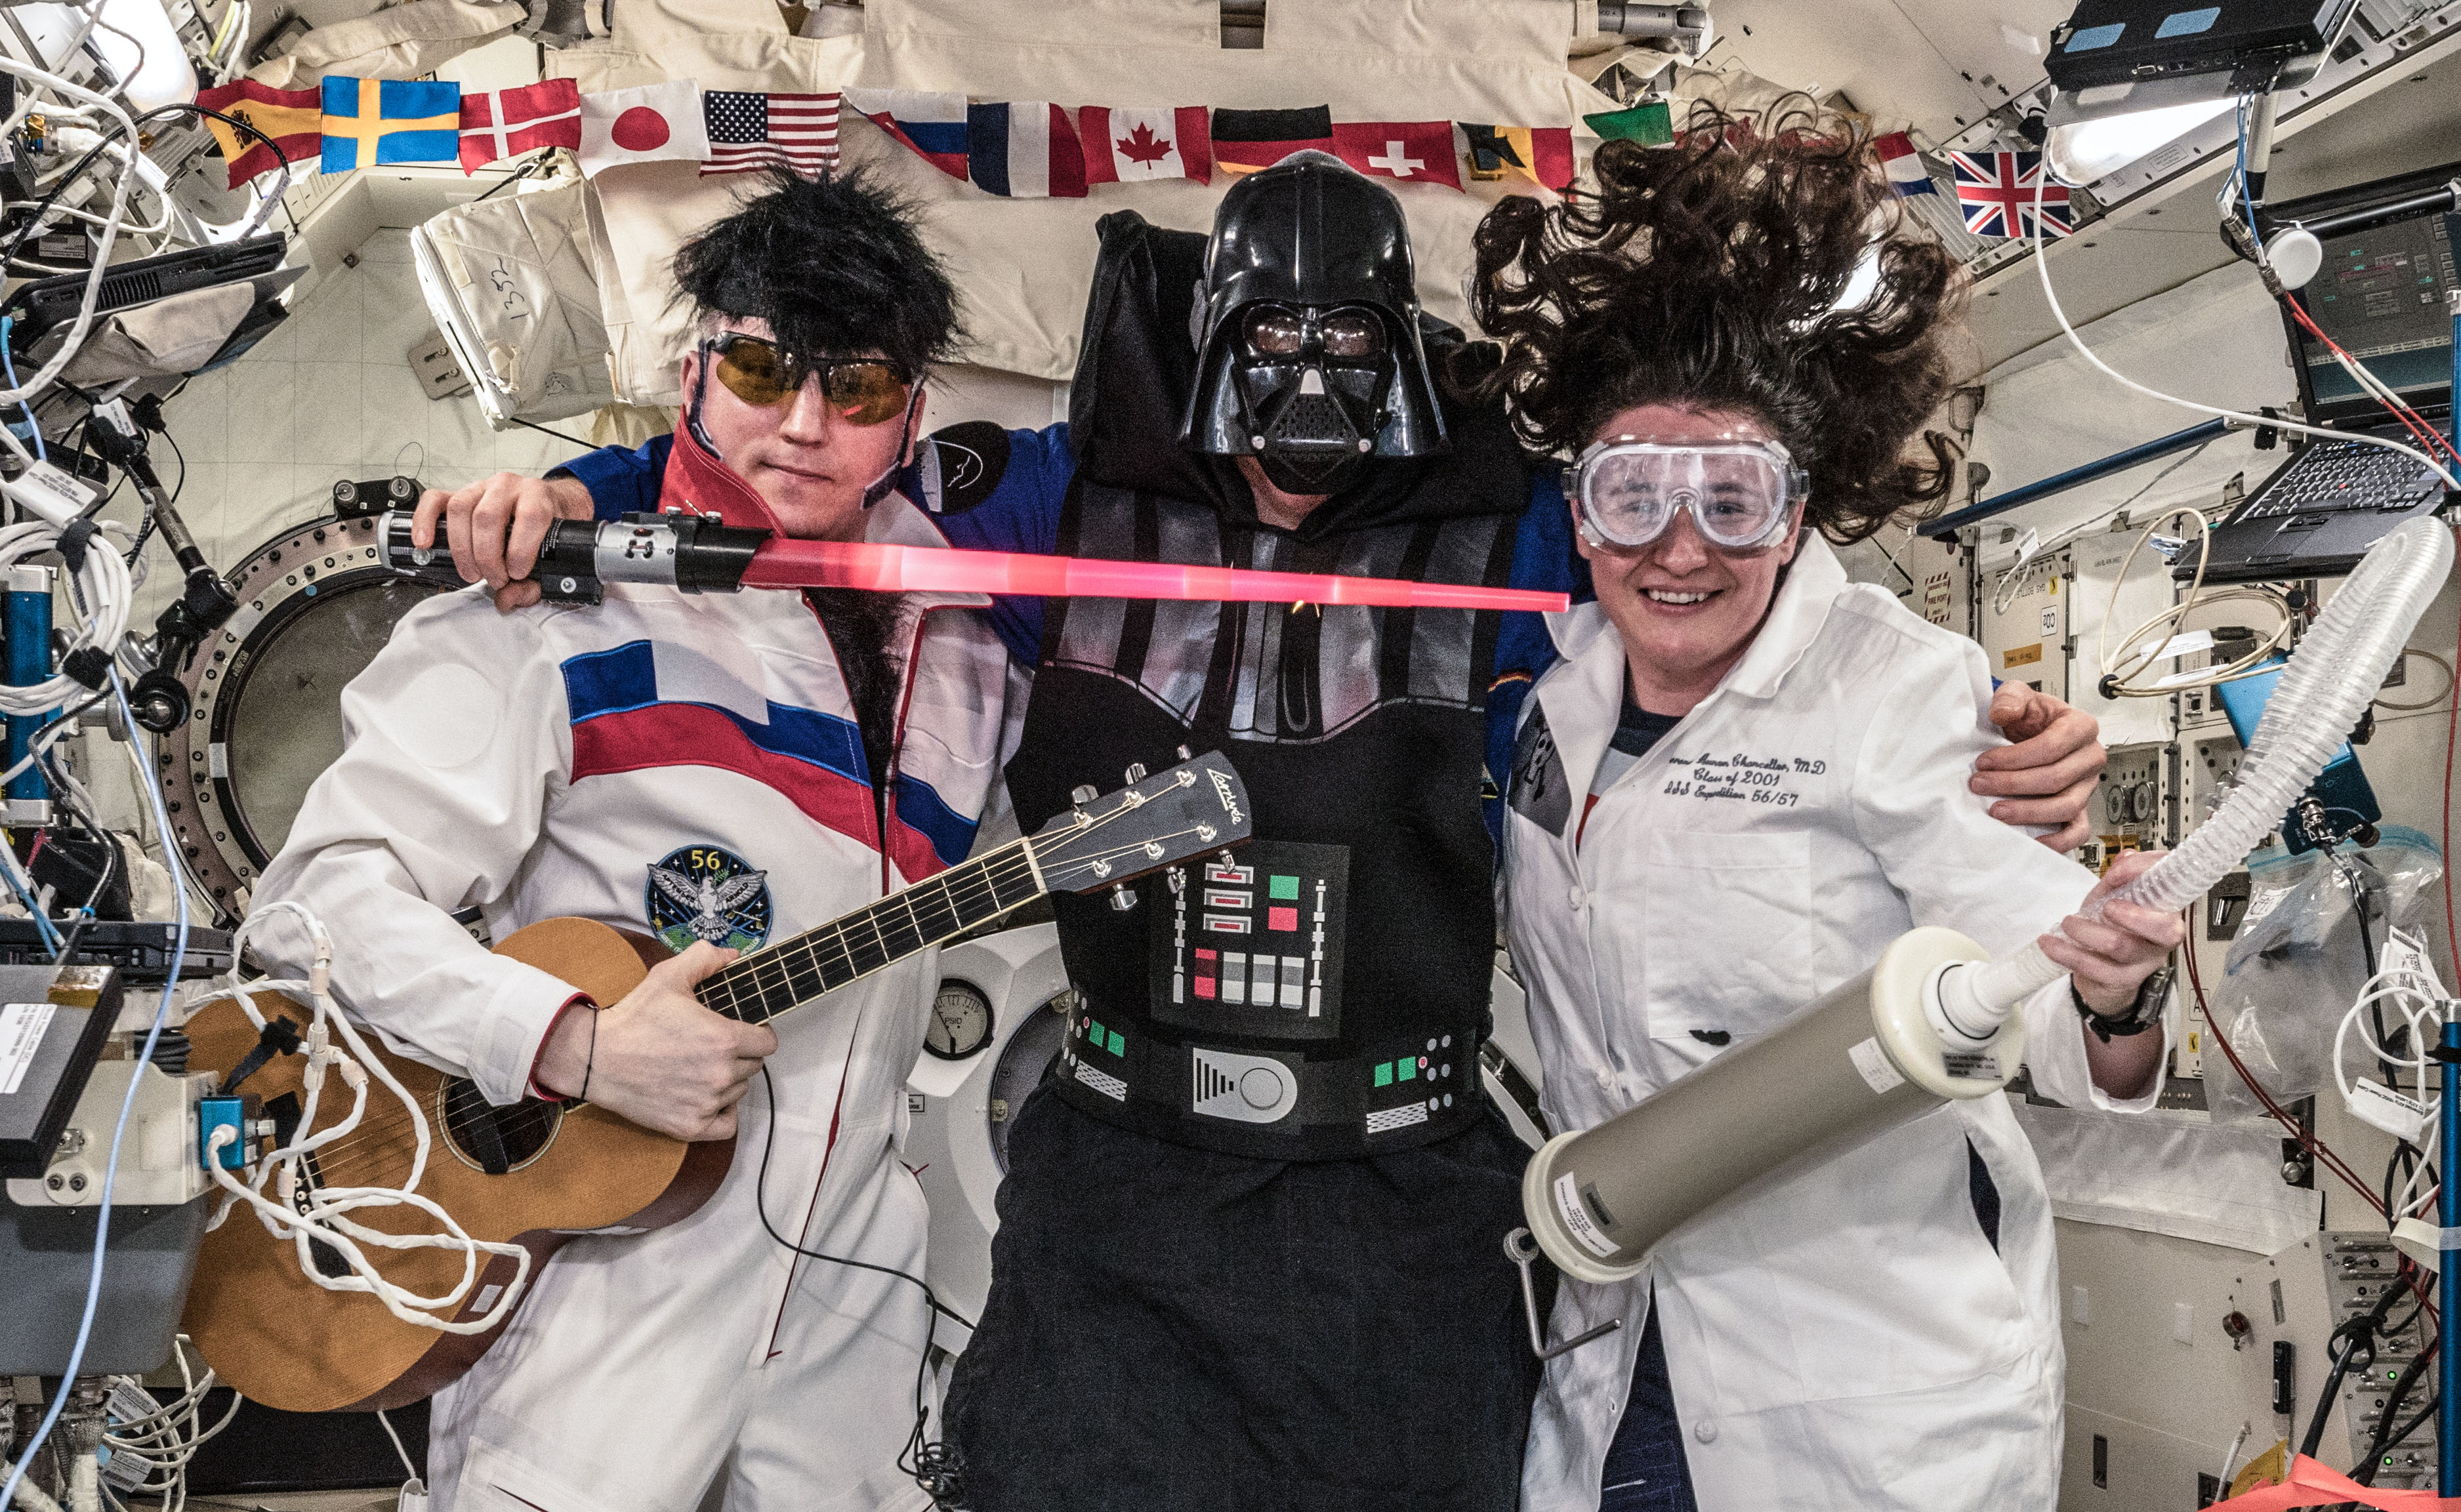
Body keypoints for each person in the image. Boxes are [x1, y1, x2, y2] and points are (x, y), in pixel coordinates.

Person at [423, 154, 2111, 1512]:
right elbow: (812, 498)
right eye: (1272, 356)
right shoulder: (1061, 493)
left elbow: (1721, 568)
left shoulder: (1510, 520)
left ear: (1406, 361)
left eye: (1349, 360)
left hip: (1411, 1193)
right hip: (1118, 1188)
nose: (1307, 397)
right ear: (1207, 343)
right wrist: (588, 499)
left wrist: (1975, 730)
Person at [255, 169, 1021, 1512]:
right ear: (693, 368)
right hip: (599, 1306)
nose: (801, 424)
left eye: (854, 389)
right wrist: (570, 1042)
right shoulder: (550, 604)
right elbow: (316, 906)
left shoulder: (964, 651)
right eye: (764, 365)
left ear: (909, 418)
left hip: (855, 1310)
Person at [1472, 115, 2184, 1510]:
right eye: (1634, 496)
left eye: (1731, 499)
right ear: (1580, 509)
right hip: (1622, 1363)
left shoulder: (1900, 693)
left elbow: (2046, 996)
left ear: (1798, 515)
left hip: (1863, 1397)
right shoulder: (1549, 707)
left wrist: (2112, 993)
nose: (1680, 549)